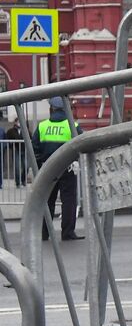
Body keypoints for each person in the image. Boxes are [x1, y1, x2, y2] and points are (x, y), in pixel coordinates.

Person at [33, 97, 83, 241]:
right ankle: (67, 233)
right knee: (68, 201)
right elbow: (83, 143)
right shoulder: (73, 125)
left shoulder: (42, 126)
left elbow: (34, 148)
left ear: (51, 109)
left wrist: (38, 167)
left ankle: (44, 233)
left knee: (47, 201)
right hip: (67, 168)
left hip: (47, 169)